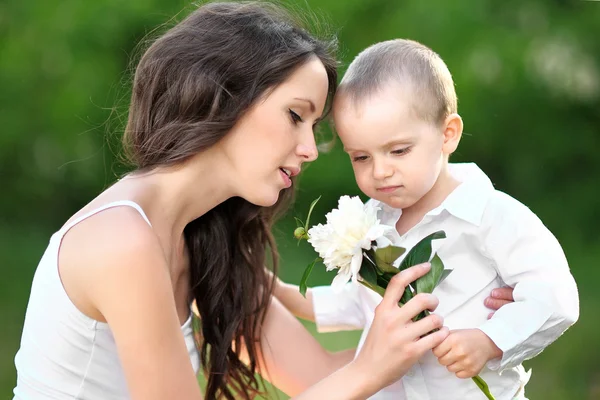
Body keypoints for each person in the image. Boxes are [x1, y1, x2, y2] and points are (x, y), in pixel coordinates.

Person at [11, 4, 461, 400]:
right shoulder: (122, 241)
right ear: (225, 95)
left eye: (315, 126)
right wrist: (367, 369)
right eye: (294, 115)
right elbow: (356, 378)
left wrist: (477, 334)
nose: (309, 148)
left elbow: (323, 376)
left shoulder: (205, 239)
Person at [274, 39, 579, 399]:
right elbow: (358, 303)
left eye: (399, 150)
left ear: (448, 134)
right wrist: (275, 291)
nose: (381, 171)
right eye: (360, 157)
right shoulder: (375, 225)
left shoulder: (491, 215)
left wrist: (490, 341)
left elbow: (554, 294)